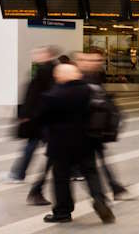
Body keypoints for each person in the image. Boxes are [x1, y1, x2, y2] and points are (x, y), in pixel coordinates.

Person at [37, 62, 113, 224]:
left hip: (60, 144)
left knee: (61, 178)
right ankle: (100, 200)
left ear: (60, 76)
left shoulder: (53, 95)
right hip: (87, 141)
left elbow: (42, 118)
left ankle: (63, 212)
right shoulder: (89, 91)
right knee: (91, 174)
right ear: (77, 74)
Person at [76, 49, 128, 201]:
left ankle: (112, 188)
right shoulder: (79, 78)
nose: (96, 63)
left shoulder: (95, 77)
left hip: (93, 129)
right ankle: (37, 189)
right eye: (91, 60)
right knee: (60, 166)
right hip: (79, 131)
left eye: (99, 61)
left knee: (98, 161)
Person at [2, 46, 57, 186]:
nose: (35, 55)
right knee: (54, 146)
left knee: (31, 147)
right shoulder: (50, 69)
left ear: (48, 55)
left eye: (39, 53)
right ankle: (76, 172)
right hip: (45, 117)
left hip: (40, 118)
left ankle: (17, 174)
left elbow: (35, 95)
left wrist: (27, 113)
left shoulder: (45, 70)